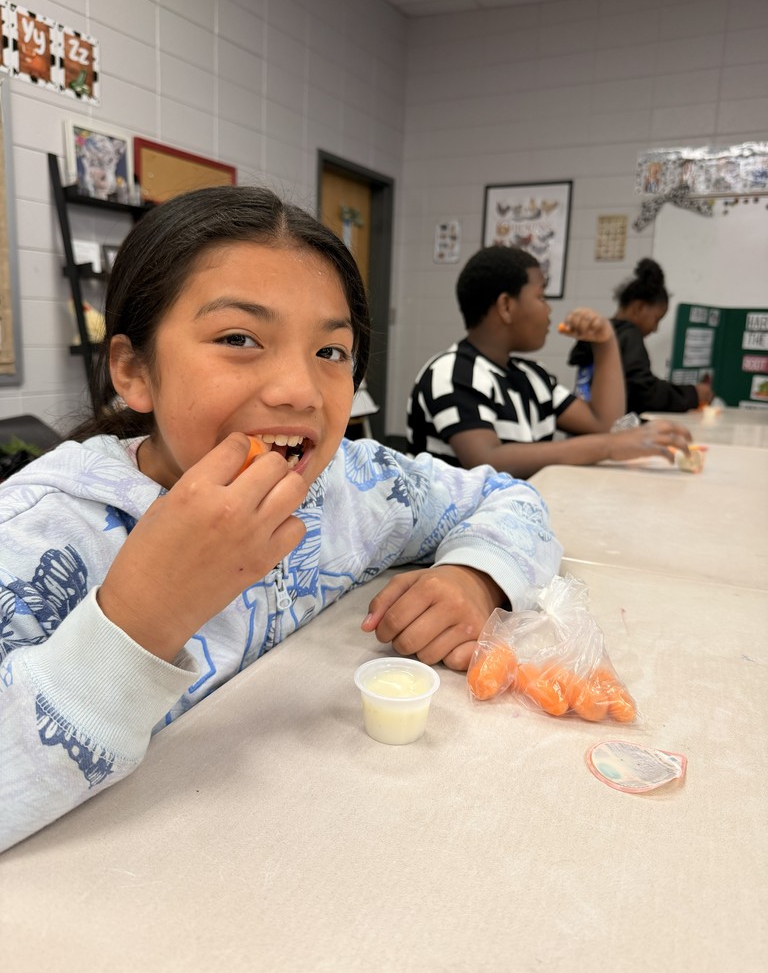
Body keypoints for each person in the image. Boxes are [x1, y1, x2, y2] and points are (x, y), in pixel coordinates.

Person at [0, 187, 562, 852]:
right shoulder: (40, 536)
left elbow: (510, 497)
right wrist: (138, 617)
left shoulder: (360, 486)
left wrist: (475, 577)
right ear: (133, 370)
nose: (299, 390)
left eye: (331, 352)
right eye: (239, 338)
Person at [408, 246, 692, 480]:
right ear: (506, 306)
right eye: (541, 296)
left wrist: (605, 343)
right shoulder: (451, 372)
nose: (549, 309)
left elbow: (604, 423)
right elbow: (487, 461)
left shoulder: (533, 376)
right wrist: (610, 446)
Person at [567, 258, 713, 413]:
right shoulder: (629, 335)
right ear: (639, 307)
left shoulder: (597, 335)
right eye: (656, 319)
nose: (655, 328)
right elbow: (644, 393)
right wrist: (693, 394)